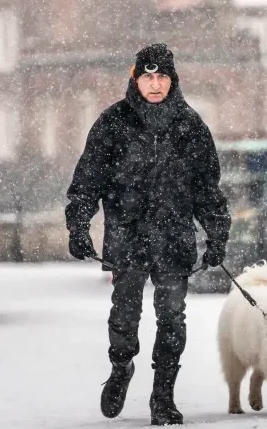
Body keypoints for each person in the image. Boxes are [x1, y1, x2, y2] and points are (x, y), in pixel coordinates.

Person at [64, 43, 231, 426]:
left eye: (162, 77)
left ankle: (163, 397)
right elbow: (88, 179)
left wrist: (217, 234)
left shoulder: (190, 125)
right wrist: (78, 224)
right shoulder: (113, 122)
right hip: (127, 235)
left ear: (173, 80)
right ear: (135, 78)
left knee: (172, 318)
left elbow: (207, 187)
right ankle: (121, 367)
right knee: (125, 315)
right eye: (148, 77)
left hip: (174, 237)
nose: (155, 85)